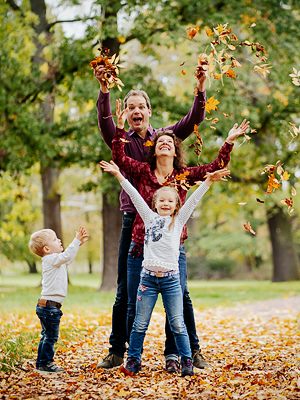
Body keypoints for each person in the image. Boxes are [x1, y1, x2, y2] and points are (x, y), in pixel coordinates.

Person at [110, 110, 249, 372]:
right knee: (133, 304)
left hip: (173, 251)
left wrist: (228, 141)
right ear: (154, 150)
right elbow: (119, 159)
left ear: (176, 150)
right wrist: (118, 130)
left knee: (179, 299)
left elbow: (213, 170)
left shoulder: (184, 176)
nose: (164, 142)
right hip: (140, 248)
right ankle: (131, 356)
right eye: (160, 140)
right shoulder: (142, 171)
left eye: (169, 141)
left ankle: (175, 355)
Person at [95, 60, 209, 371]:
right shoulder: (122, 139)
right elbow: (107, 127)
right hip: (134, 221)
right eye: (130, 107)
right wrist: (104, 92)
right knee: (125, 293)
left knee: (180, 292)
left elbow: (192, 120)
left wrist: (200, 88)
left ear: (149, 110)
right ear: (127, 113)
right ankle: (118, 351)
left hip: (167, 226)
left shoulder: (164, 139)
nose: (135, 111)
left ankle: (188, 351)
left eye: (140, 106)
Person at [100, 159, 230, 376]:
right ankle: (133, 359)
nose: (166, 203)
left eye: (171, 200)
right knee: (140, 324)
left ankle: (186, 360)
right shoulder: (149, 219)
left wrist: (207, 182)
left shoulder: (178, 222)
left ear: (176, 204)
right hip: (147, 281)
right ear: (155, 203)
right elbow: (133, 194)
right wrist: (117, 175)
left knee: (178, 323)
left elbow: (194, 200)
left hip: (171, 281)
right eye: (162, 200)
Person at [28, 227, 89, 373]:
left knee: (46, 335)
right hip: (49, 307)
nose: (59, 240)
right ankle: (46, 363)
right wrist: (76, 240)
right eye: (55, 239)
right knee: (50, 336)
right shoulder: (50, 259)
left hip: (47, 306)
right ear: (47, 249)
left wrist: (78, 244)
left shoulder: (55, 261)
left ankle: (41, 362)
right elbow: (67, 256)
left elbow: (68, 257)